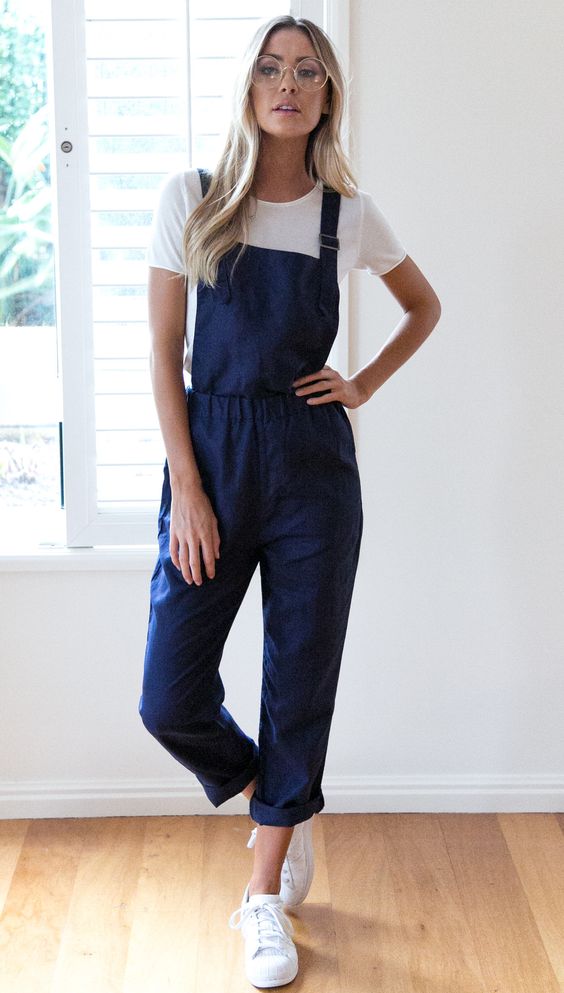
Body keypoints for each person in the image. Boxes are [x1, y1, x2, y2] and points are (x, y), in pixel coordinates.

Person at [138, 13, 441, 989]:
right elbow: (163, 353)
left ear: (327, 95)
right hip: (213, 456)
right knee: (169, 696)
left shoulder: (346, 214)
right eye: (272, 68)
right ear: (249, 86)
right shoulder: (192, 198)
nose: (289, 84)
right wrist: (189, 487)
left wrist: (362, 383)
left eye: (308, 71)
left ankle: (263, 895)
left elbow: (424, 306)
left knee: (299, 679)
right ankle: (281, 797)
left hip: (312, 465)